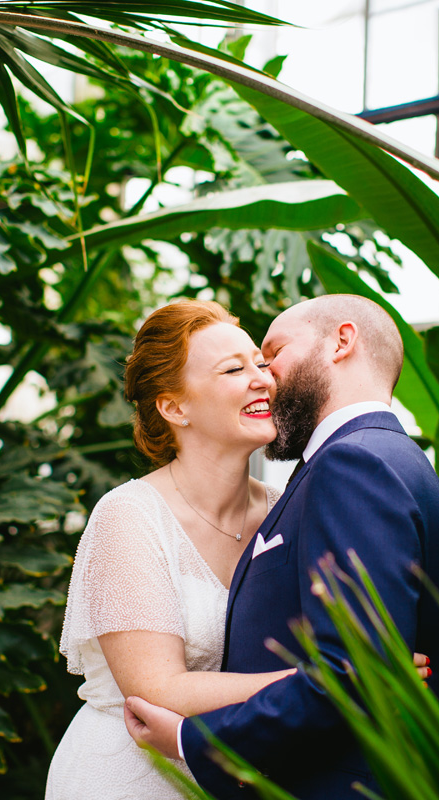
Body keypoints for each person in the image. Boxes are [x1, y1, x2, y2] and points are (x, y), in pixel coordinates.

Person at [124, 294, 439, 799]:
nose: (265, 376)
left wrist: (189, 740)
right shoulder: (397, 460)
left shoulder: (353, 464)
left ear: (341, 342)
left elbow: (354, 677)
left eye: (272, 352)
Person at [45, 300, 293, 799]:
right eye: (233, 369)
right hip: (130, 776)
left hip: (235, 773)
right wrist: (333, 683)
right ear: (174, 407)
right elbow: (157, 690)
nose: (261, 379)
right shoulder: (130, 516)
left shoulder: (284, 509)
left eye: (261, 364)